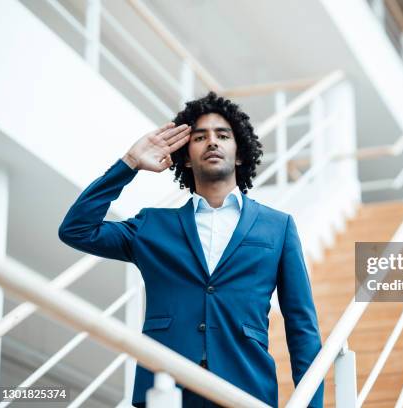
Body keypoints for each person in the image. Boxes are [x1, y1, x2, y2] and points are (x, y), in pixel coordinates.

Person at [58, 92, 324, 407]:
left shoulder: (278, 227)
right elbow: (77, 230)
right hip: (165, 386)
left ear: (239, 154)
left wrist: (312, 404)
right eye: (200, 137)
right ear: (186, 156)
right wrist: (129, 164)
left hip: (247, 386)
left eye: (222, 135)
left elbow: (301, 325)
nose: (212, 142)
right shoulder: (152, 225)